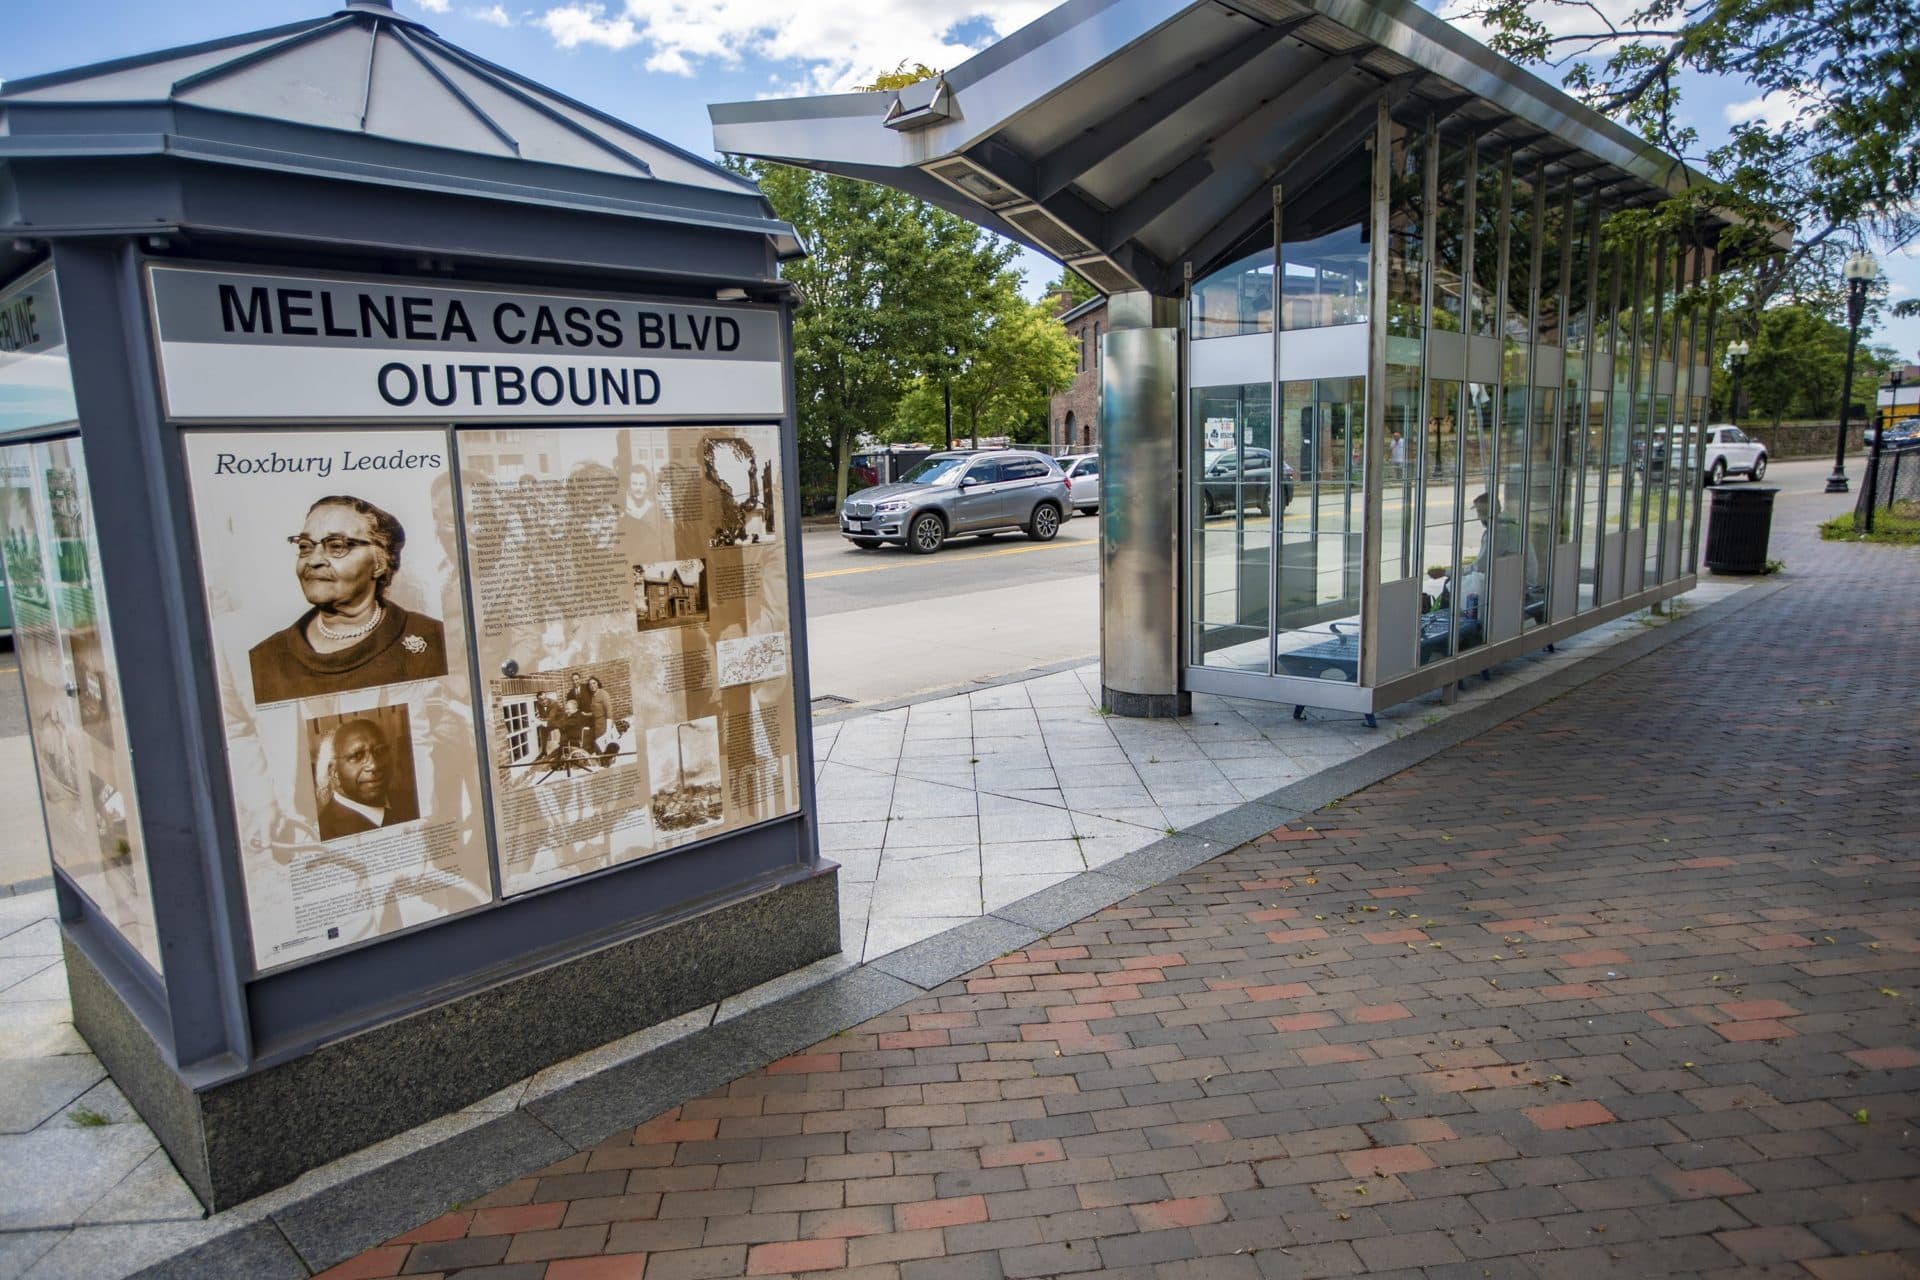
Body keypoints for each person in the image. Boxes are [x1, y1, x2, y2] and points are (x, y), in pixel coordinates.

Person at [249, 496, 448, 704]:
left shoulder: (434, 640)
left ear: (379, 563)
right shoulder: (265, 659)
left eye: (336, 546)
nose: (313, 560)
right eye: (305, 546)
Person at [314, 717, 419, 840]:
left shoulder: (413, 800)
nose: (374, 765)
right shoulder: (324, 835)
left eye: (380, 751)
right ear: (334, 773)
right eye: (357, 756)